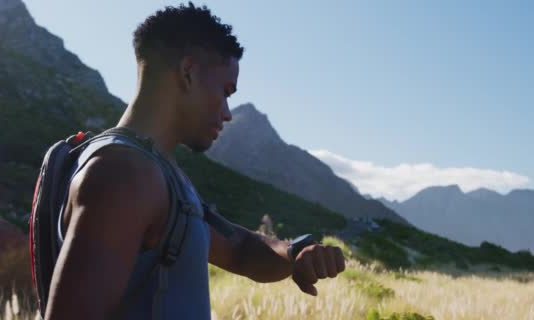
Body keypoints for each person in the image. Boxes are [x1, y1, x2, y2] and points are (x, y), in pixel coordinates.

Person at [44, 3, 345, 319]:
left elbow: (240, 248)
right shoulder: (125, 175)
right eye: (226, 90)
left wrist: (294, 252)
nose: (228, 112)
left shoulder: (157, 172)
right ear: (188, 72)